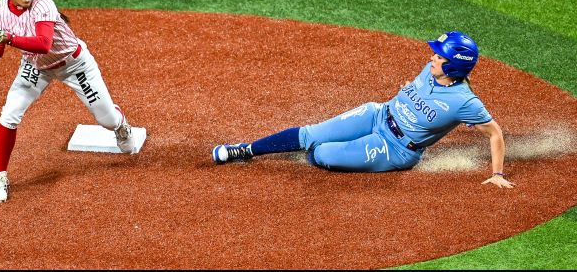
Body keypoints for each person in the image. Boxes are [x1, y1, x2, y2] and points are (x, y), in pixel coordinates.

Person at [212, 31, 516, 189]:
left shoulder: (465, 103)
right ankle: (246, 150)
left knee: (321, 154)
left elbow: (495, 133)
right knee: (310, 134)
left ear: (453, 65)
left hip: (395, 148)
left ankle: (324, 150)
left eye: (439, 56)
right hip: (377, 114)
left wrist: (497, 173)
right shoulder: (431, 70)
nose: (432, 57)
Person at [0, 0, 138, 203]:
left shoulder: (43, 3)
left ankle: (121, 125)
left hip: (74, 64)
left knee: (107, 120)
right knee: (9, 114)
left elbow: (44, 43)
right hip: (36, 67)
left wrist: (7, 36)